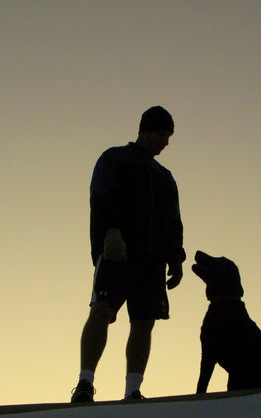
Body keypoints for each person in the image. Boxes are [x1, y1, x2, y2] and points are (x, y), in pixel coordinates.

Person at [71, 106, 185, 402]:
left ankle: (132, 390)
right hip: (118, 254)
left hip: (153, 260)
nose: (166, 142)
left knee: (145, 321)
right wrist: (110, 233)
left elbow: (174, 220)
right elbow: (101, 196)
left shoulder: (165, 177)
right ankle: (85, 383)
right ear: (145, 130)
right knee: (102, 310)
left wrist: (176, 259)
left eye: (169, 136)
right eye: (162, 134)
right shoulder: (114, 158)